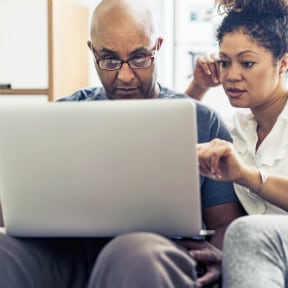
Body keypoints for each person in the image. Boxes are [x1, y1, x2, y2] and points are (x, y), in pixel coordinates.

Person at [0, 0, 244, 287]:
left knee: (132, 253)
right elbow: (13, 206)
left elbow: (224, 221)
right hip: (67, 254)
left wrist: (219, 257)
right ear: (92, 51)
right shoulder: (62, 116)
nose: (125, 76)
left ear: (158, 47)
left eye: (140, 58)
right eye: (109, 60)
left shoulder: (203, 121)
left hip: (154, 253)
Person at [187, 0, 288, 287]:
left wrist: (244, 174)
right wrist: (199, 86)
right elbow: (170, 139)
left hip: (264, 244)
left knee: (247, 233)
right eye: (224, 62)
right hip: (256, 257)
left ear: (282, 63)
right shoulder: (235, 129)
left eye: (247, 63)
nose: (232, 75)